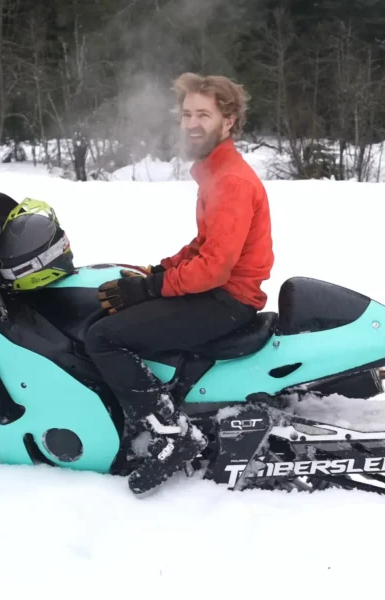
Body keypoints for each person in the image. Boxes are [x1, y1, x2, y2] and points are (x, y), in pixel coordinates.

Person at [84, 72, 274, 497]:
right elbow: (204, 244)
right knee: (106, 315)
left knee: (103, 338)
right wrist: (158, 272)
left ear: (229, 120)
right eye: (187, 113)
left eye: (203, 114)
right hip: (218, 292)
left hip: (226, 299)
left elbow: (213, 269)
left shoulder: (231, 181)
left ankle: (172, 435)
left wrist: (150, 289)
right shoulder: (215, 171)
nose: (192, 123)